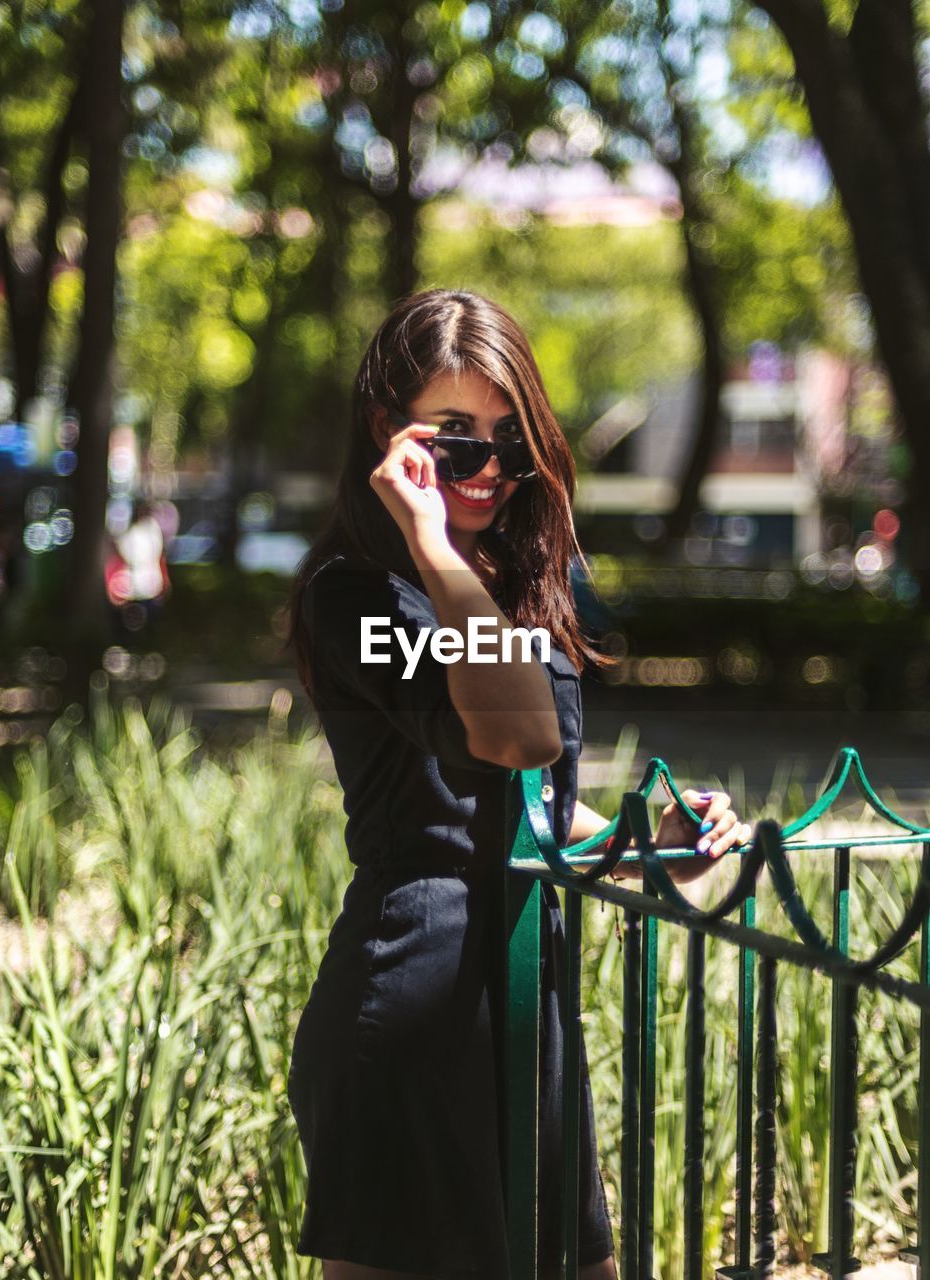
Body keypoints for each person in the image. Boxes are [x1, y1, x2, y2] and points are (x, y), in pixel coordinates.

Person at [284, 289, 750, 1280]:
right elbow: (516, 735)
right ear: (386, 431)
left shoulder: (507, 584)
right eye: (453, 439)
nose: (486, 467)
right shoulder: (357, 594)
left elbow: (530, 810)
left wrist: (647, 832)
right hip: (412, 1013)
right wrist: (435, 552)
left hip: (525, 1012)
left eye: (508, 440)